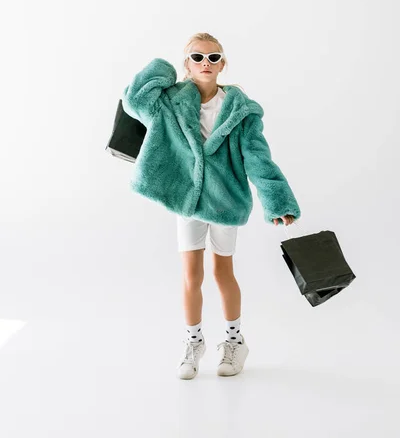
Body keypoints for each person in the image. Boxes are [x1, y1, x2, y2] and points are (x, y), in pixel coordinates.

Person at [121, 32, 301, 380]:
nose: (206, 63)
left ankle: (235, 342)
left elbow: (258, 158)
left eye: (214, 57)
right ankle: (193, 343)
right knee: (191, 274)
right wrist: (162, 67)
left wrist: (277, 200)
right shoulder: (170, 102)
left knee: (222, 273)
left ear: (223, 64)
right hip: (186, 200)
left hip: (224, 200)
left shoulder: (240, 109)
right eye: (198, 57)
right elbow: (134, 100)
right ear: (186, 65)